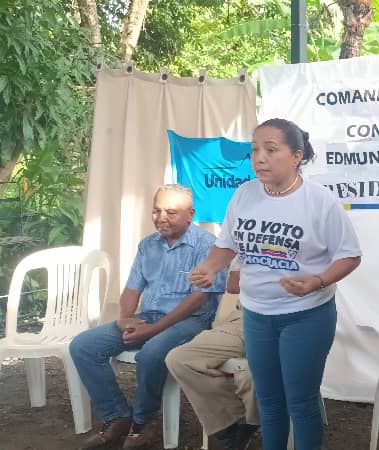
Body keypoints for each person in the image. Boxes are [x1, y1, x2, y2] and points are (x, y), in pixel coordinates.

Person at [188, 118, 362, 450]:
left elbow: (350, 255)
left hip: (306, 315)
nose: (260, 158)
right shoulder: (244, 194)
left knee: (301, 401)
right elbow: (227, 244)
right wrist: (210, 267)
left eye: (270, 150)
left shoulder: (319, 201)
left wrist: (319, 280)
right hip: (256, 315)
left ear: (296, 156)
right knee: (268, 401)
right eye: (255, 150)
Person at [70, 184, 227, 450]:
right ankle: (117, 416)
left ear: (190, 214)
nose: (161, 217)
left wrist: (152, 331)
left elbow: (198, 298)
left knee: (151, 353)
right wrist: (125, 319)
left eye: (171, 212)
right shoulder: (148, 245)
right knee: (83, 346)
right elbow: (133, 288)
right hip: (149, 316)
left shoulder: (208, 246)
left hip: (191, 321)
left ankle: (143, 422)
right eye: (156, 211)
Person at [165, 264, 259, 450]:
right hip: (243, 319)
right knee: (179, 359)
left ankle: (249, 424)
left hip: (290, 322)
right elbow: (233, 283)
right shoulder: (246, 245)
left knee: (252, 371)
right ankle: (232, 421)